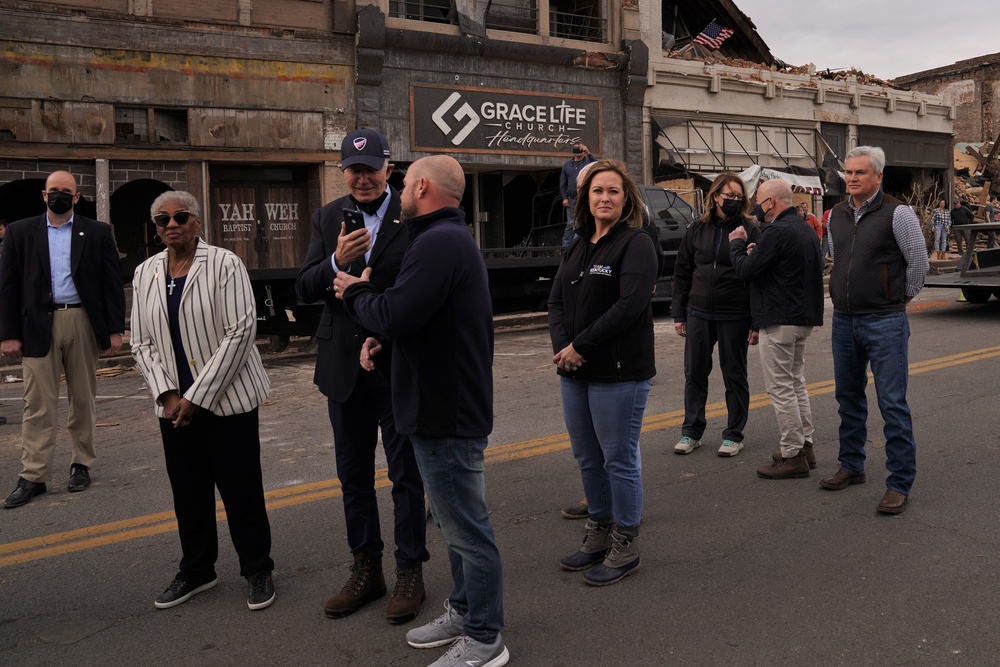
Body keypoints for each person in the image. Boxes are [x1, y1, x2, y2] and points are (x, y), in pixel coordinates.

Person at [334, 155, 508, 667]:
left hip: (445, 412)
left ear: (424, 187)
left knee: (467, 529)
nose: (400, 192)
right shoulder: (443, 239)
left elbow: (397, 311)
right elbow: (431, 325)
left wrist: (356, 291)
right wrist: (385, 346)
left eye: (406, 184)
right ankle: (463, 607)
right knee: (455, 526)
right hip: (441, 404)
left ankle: (484, 636)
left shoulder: (437, 241)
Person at [296, 128, 428, 624]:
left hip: (395, 364)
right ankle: (365, 569)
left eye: (371, 168)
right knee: (353, 476)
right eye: (353, 170)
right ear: (342, 174)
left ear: (388, 170)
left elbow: (419, 294)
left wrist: (384, 327)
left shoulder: (412, 214)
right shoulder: (328, 217)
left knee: (405, 476)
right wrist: (337, 261)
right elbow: (306, 285)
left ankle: (410, 570)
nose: (363, 178)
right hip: (342, 369)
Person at [131, 191, 275, 610]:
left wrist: (197, 397)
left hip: (228, 401)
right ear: (155, 228)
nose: (171, 224)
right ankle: (197, 570)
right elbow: (140, 342)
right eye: (162, 219)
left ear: (196, 222)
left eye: (180, 216)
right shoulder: (145, 273)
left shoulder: (225, 264)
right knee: (188, 492)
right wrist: (169, 393)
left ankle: (257, 568)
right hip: (173, 406)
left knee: (241, 489)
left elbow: (240, 333)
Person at [548, 160, 657, 585]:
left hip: (619, 372)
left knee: (619, 459)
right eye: (597, 192)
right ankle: (598, 532)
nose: (604, 198)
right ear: (584, 198)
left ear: (626, 198)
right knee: (587, 457)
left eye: (613, 191)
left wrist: (580, 346)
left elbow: (629, 307)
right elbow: (556, 302)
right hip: (574, 370)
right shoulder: (577, 244)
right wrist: (563, 349)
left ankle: (626, 543)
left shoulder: (636, 244)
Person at [0, 171, 125, 509]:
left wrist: (115, 329)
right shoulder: (19, 232)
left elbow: (112, 283)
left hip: (82, 319)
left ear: (76, 196)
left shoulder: (97, 232)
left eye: (65, 191)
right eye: (53, 191)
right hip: (36, 325)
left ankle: (81, 464)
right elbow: (7, 286)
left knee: (83, 397)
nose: (59, 196)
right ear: (44, 195)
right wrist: (8, 334)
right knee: (36, 403)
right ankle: (33, 476)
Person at [822, 146, 928, 515]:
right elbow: (835, 257)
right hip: (844, 320)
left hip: (885, 321)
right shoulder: (835, 214)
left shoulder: (898, 213)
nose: (851, 179)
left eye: (860, 173)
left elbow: (918, 264)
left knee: (892, 404)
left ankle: (899, 482)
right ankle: (852, 466)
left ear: (878, 176)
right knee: (848, 399)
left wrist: (895, 300)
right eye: (848, 173)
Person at [729, 180, 824, 479]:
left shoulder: (776, 230)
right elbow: (785, 265)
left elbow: (745, 270)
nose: (755, 204)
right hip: (801, 317)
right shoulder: (804, 229)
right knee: (796, 383)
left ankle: (793, 455)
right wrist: (759, 251)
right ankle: (804, 445)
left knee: (781, 388)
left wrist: (737, 245)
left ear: (770, 202)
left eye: (758, 199)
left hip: (779, 318)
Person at [671, 172, 760, 458]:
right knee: (694, 372)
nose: (733, 200)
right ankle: (691, 432)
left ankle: (734, 434)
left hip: (735, 313)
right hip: (698, 311)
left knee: (734, 374)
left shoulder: (751, 229)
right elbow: (683, 272)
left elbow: (759, 277)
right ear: (715, 196)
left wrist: (756, 321)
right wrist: (678, 313)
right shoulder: (697, 228)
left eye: (738, 196)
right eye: (728, 195)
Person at [559, 142, 596, 246]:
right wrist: (564, 197)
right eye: (575, 150)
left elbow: (597, 165)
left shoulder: (588, 162)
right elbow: (563, 183)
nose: (578, 153)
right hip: (571, 198)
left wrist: (588, 153)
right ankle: (565, 246)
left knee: (581, 221)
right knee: (570, 223)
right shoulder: (567, 165)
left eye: (579, 150)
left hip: (584, 197)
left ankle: (577, 244)